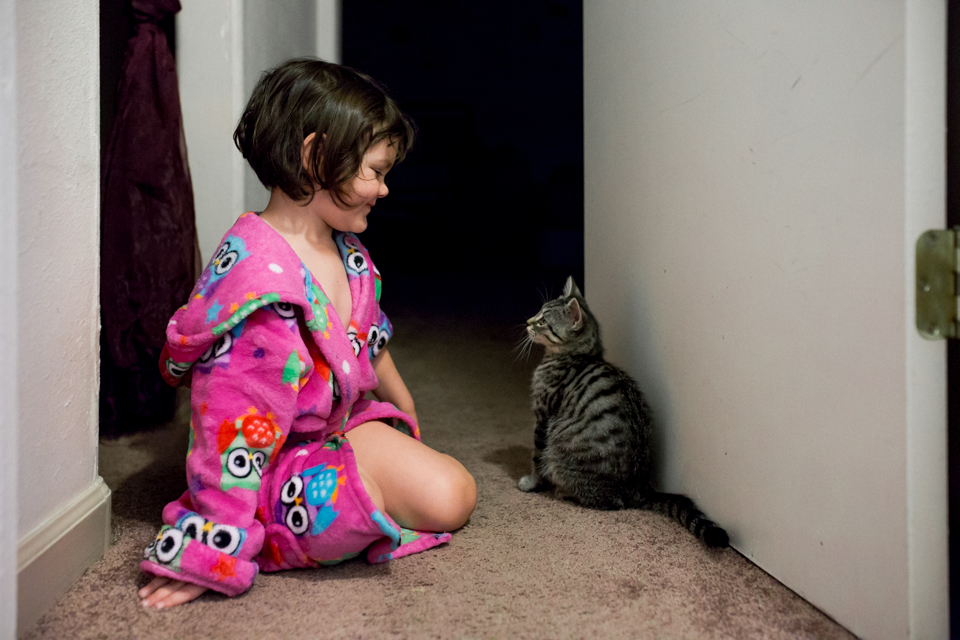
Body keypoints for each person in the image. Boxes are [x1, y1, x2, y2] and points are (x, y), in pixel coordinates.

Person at [138, 58, 477, 609]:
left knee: (452, 492)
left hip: (335, 427)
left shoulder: (348, 254)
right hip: (275, 466)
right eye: (374, 171)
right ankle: (271, 525)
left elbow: (367, 337)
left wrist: (404, 409)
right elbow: (231, 432)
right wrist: (212, 549)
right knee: (405, 498)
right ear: (315, 157)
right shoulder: (260, 292)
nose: (384, 190)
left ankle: (361, 477)